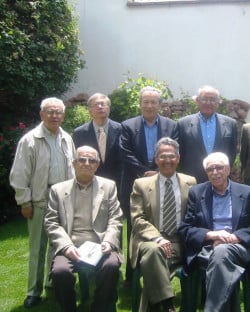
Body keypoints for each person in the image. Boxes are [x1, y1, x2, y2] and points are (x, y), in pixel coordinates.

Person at [9, 97, 76, 308]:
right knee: (38, 248)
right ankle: (33, 291)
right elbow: (20, 173)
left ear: (63, 116)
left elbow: (73, 169)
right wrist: (24, 201)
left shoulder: (67, 138)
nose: (55, 116)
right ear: (41, 114)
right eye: (50, 112)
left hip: (63, 200)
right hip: (39, 200)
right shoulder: (30, 140)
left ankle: (52, 282)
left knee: (59, 245)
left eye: (58, 112)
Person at [178, 152, 250, 312]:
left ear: (228, 169)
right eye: (210, 169)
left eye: (219, 167)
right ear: (206, 173)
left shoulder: (246, 192)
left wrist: (233, 238)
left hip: (239, 247)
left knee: (221, 252)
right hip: (207, 248)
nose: (215, 172)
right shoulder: (197, 193)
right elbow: (185, 229)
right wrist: (212, 235)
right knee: (221, 263)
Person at [44, 146, 123, 312]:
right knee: (60, 271)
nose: (87, 163)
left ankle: (99, 307)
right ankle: (68, 308)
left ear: (97, 165)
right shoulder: (58, 190)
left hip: (100, 245)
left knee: (111, 266)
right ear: (74, 163)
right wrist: (66, 246)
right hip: (70, 246)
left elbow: (115, 219)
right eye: (82, 159)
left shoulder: (108, 186)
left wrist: (109, 241)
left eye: (92, 160)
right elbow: (51, 222)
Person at [129, 137, 196, 312]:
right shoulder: (141, 185)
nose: (168, 160)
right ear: (156, 159)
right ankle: (168, 304)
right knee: (153, 251)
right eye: (163, 156)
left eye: (172, 156)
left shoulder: (191, 182)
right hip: (151, 239)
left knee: (155, 262)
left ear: (178, 158)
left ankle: (160, 304)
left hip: (180, 241)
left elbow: (195, 216)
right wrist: (158, 238)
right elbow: (137, 218)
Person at [120, 86, 178, 285]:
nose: (149, 105)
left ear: (160, 105)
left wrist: (158, 171)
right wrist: (146, 172)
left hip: (164, 183)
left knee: (163, 223)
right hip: (136, 185)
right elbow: (125, 152)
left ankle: (163, 268)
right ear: (140, 104)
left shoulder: (172, 126)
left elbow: (174, 152)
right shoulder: (128, 126)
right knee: (135, 229)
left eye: (154, 102)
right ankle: (132, 276)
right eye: (146, 101)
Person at [177, 85, 238, 183]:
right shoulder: (183, 124)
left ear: (218, 102)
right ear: (197, 101)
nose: (208, 103)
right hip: (192, 179)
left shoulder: (230, 124)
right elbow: (180, 152)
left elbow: (232, 152)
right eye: (204, 99)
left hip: (220, 178)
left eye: (213, 99)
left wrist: (222, 170)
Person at [73, 93, 122, 189]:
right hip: (89, 183)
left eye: (103, 104)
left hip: (117, 183)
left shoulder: (121, 129)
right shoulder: (80, 132)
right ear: (90, 110)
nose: (100, 107)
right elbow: (76, 160)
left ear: (109, 108)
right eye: (96, 105)